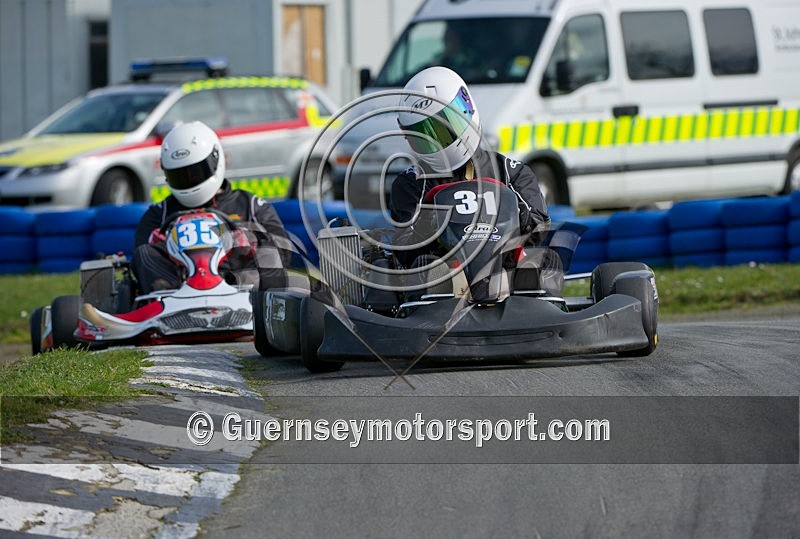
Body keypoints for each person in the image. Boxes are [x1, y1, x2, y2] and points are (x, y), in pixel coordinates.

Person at [390, 66, 559, 293]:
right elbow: (404, 246)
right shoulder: (411, 184)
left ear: (466, 110)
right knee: (428, 268)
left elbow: (539, 224)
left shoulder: (509, 171)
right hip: (447, 281)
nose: (439, 142)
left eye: (446, 128)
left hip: (504, 270)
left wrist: (515, 217)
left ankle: (539, 313)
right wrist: (428, 228)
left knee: (546, 261)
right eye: (426, 137)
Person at [133, 121, 289, 293]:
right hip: (180, 292)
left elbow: (284, 253)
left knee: (269, 248)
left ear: (215, 159)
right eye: (180, 176)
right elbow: (141, 260)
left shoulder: (250, 205)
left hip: (241, 291)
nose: (189, 180)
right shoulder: (159, 214)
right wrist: (161, 243)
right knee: (144, 252)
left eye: (196, 172)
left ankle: (266, 307)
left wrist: (249, 238)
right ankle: (168, 300)